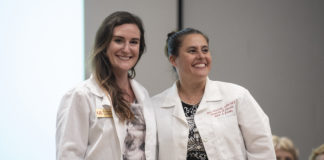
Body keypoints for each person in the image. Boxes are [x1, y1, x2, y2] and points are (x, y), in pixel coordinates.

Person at [152, 28, 276, 160]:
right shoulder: (154, 107)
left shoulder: (237, 96)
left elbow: (261, 147)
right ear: (173, 59)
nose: (201, 56)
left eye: (205, 50)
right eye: (192, 51)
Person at [56, 11, 156, 160]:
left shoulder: (142, 94)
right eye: (118, 40)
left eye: (134, 42)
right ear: (104, 45)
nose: (127, 48)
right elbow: (69, 155)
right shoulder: (81, 95)